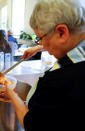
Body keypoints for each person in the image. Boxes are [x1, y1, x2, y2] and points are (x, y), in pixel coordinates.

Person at [6, 0, 85, 130]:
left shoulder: (59, 81)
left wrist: (12, 94)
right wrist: (39, 48)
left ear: (61, 32)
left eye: (40, 38)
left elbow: (31, 124)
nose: (41, 43)